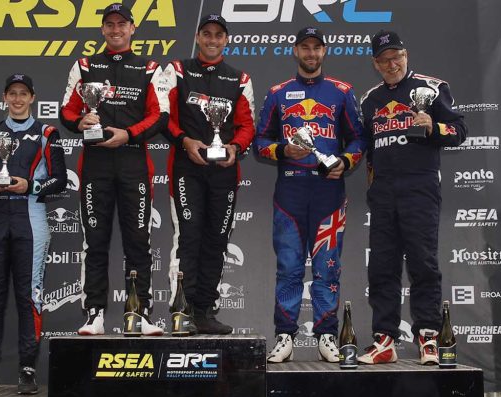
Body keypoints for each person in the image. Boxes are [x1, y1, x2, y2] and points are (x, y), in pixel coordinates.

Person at [254, 27, 364, 362]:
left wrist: (345, 161)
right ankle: (285, 335)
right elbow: (260, 142)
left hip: (329, 192)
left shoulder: (342, 92)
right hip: (290, 191)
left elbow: (358, 139)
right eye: (305, 47)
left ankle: (327, 334)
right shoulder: (278, 93)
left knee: (327, 268)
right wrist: (283, 150)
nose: (311, 53)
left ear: (324, 51)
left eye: (317, 47)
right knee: (289, 267)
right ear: (296, 50)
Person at [358, 31, 467, 365]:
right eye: (384, 60)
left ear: (405, 56)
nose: (392, 64)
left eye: (396, 57)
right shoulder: (370, 100)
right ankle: (384, 339)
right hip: (383, 192)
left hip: (420, 188)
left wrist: (434, 126)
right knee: (382, 266)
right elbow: (366, 148)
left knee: (423, 263)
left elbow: (460, 131)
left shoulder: (431, 88)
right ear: (375, 64)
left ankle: (428, 337)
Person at [60, 3, 168, 336]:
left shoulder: (150, 68)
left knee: (138, 241)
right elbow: (67, 111)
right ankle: (94, 314)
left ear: (132, 28)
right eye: (110, 24)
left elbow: (160, 115)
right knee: (95, 241)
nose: (116, 29)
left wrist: (129, 134)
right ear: (103, 30)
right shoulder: (84, 65)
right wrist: (80, 122)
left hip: (134, 163)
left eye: (122, 24)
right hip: (96, 165)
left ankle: (139, 314)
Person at [162, 14, 255, 335]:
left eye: (218, 34)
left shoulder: (239, 78)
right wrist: (184, 141)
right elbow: (164, 117)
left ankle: (204, 311)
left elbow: (247, 125)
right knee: (188, 239)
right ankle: (182, 311)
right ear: (198, 37)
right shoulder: (177, 70)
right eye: (207, 33)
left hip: (224, 173)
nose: (212, 39)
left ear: (226, 40)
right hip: (186, 169)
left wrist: (235, 147)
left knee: (216, 241)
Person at [0, 73, 67, 395]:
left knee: (30, 296)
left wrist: (31, 185)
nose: (17, 99)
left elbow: (60, 179)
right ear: (4, 97)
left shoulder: (47, 133)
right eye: (12, 93)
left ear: (32, 98)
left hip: (31, 218)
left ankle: (27, 368)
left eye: (23, 93)